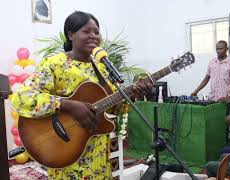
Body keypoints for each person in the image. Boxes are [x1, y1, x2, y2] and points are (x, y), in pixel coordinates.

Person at [10, 11, 152, 179]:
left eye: (96, 32)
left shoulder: (102, 68)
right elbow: (21, 97)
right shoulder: (56, 64)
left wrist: (133, 95)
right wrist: (67, 104)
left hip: (99, 157)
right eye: (86, 31)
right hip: (65, 153)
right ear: (71, 34)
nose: (93, 36)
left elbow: (113, 110)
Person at [191, 40, 230, 115]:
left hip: (224, 100)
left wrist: (229, 95)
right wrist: (196, 91)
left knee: (223, 122)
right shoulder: (212, 62)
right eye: (217, 49)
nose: (219, 51)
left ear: (227, 49)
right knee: (213, 122)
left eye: (221, 49)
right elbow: (206, 79)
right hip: (212, 99)